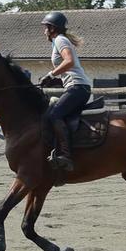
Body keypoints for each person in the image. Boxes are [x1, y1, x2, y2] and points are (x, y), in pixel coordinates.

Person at [37, 11, 92, 172]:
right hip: (75, 86)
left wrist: (50, 74)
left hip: (77, 87)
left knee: (54, 115)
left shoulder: (60, 40)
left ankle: (66, 155)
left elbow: (69, 61)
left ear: (52, 28)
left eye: (46, 27)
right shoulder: (58, 41)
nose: (44, 31)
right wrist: (52, 78)